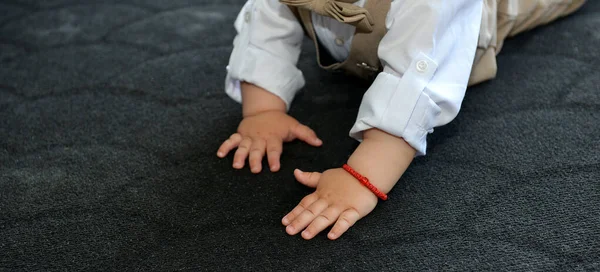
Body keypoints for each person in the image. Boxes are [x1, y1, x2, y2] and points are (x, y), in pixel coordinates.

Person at [216, 0, 586, 240]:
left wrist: (363, 177)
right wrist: (263, 109)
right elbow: (266, 19)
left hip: (467, 22)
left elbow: (418, 79)